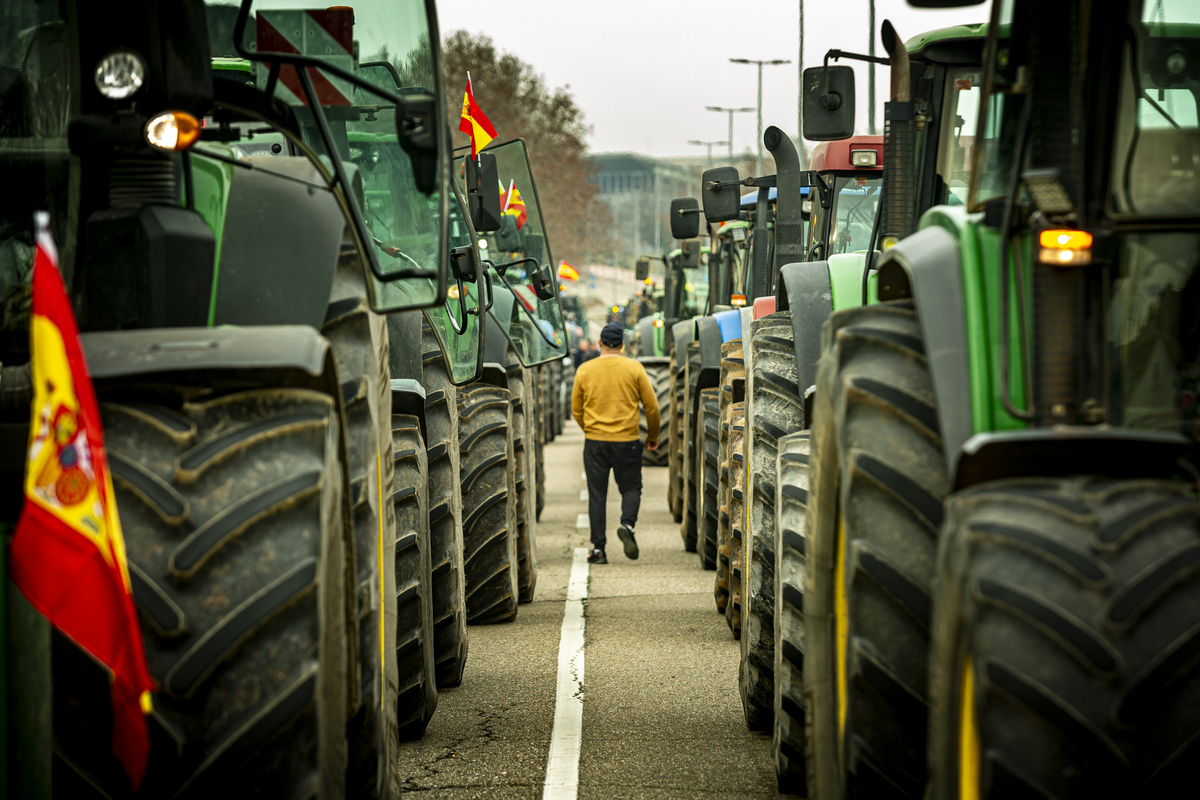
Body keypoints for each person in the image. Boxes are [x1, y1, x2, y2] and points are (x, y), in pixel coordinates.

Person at [571, 320, 660, 564]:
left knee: (597, 494)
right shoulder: (635, 368)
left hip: (595, 443)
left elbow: (576, 409)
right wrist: (652, 436)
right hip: (628, 441)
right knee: (631, 488)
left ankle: (598, 550)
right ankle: (628, 525)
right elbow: (651, 408)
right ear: (623, 344)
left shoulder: (585, 370)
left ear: (600, 343)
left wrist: (589, 429)